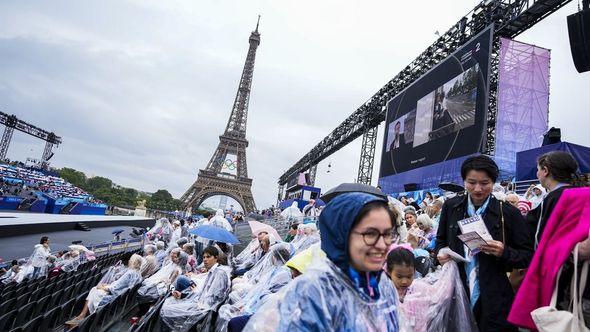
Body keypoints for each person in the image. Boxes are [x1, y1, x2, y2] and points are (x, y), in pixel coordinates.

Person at [244, 191, 401, 331]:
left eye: (388, 234)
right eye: (370, 234)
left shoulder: (384, 286)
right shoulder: (311, 292)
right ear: (342, 235)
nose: (382, 244)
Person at [435, 155, 533, 331]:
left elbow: (527, 256)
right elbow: (440, 240)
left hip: (495, 295)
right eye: (471, 182)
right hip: (456, 290)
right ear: (464, 180)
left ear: (494, 182)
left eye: (485, 183)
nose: (478, 189)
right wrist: (440, 254)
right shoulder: (452, 207)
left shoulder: (509, 213)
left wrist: (504, 252)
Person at [160, 246, 230, 332]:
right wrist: (182, 295)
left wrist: (196, 306)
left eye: (208, 257)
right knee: (167, 305)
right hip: (199, 304)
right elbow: (203, 293)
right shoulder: (212, 272)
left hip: (203, 309)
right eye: (204, 257)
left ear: (216, 258)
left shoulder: (219, 274)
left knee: (167, 310)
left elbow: (214, 299)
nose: (205, 260)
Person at [526, 151, 585, 249]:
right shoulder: (581, 194)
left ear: (545, 171)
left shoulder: (553, 198)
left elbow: (540, 238)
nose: (537, 174)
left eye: (538, 170)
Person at [66, 254, 143, 325]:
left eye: (131, 260)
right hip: (121, 294)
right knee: (94, 290)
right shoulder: (138, 274)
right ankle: (83, 315)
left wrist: (102, 287)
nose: (129, 261)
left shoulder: (129, 273)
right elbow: (120, 285)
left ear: (133, 262)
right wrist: (107, 285)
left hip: (115, 295)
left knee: (94, 290)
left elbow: (114, 288)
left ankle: (84, 316)